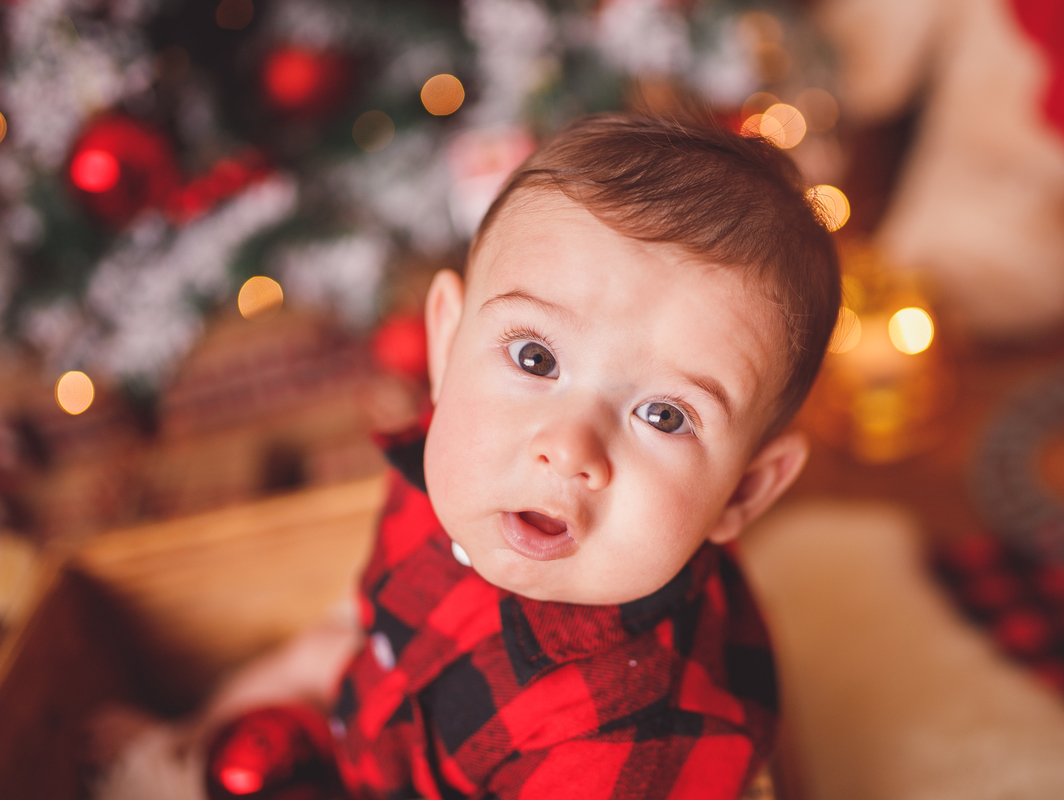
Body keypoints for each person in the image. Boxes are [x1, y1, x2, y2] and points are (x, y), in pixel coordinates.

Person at [94, 112, 841, 800]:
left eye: (664, 414)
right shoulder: (451, 467)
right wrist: (200, 731)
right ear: (447, 343)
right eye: (536, 358)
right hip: (380, 730)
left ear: (744, 492)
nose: (566, 448)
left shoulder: (638, 745)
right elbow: (350, 635)